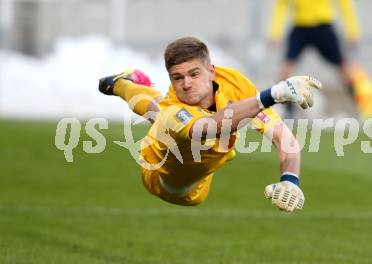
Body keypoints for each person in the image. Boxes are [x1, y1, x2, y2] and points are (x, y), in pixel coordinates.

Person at [98, 37, 322, 212]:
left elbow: (285, 139)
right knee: (161, 114)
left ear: (211, 71)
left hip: (202, 177)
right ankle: (123, 85)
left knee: (160, 110)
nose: (186, 84)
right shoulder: (175, 111)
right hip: (161, 175)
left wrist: (290, 180)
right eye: (177, 78)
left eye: (194, 74)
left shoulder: (234, 83)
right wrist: (275, 93)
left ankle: (121, 83)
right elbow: (212, 126)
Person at [268, 0, 372, 120]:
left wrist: (352, 32)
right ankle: (288, 113)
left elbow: (344, 4)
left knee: (345, 70)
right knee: (285, 72)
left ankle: (369, 109)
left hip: (323, 26)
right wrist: (275, 33)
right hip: (300, 27)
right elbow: (281, 5)